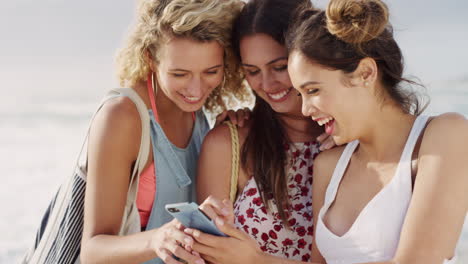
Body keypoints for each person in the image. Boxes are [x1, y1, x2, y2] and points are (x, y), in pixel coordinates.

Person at [284, 0, 468, 263]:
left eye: (312, 90)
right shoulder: (329, 166)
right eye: (300, 94)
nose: (305, 109)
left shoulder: (444, 134)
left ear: (366, 73)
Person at [80, 0, 250, 263]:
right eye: (180, 74)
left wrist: (225, 135)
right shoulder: (122, 117)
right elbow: (92, 251)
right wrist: (157, 239)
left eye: (211, 72)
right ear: (150, 58)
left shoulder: (200, 116)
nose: (195, 90)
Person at [190, 0, 334, 262]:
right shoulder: (229, 143)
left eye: (279, 67)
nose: (267, 84)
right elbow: (211, 257)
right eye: (252, 71)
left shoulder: (351, 140)